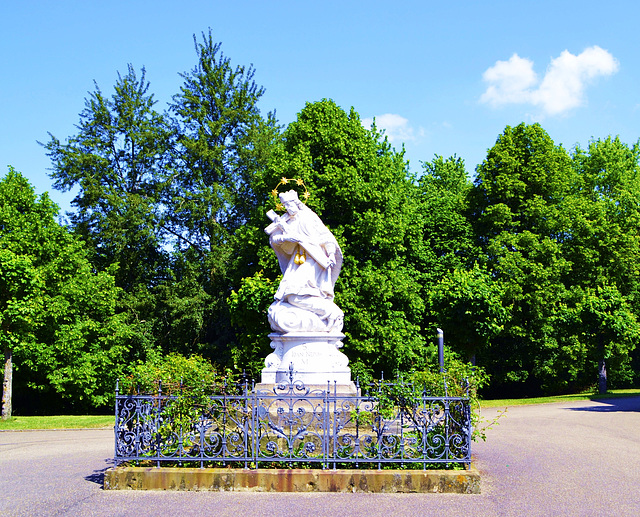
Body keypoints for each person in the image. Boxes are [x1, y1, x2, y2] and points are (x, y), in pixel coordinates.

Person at [266, 190, 343, 332]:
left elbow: (326, 237)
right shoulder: (285, 220)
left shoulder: (309, 217)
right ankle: (329, 313)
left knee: (294, 294)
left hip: (316, 259)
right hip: (297, 260)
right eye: (285, 206)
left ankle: (331, 313)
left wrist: (331, 254)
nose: (288, 208)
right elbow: (274, 239)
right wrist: (286, 238)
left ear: (297, 203)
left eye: (290, 204)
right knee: (292, 294)